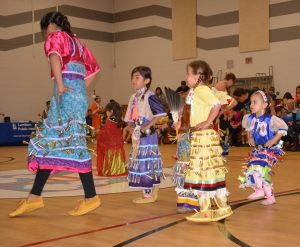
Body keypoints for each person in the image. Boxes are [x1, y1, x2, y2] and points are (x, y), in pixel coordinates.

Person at [9, 11, 100, 217]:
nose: (45, 32)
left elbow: (54, 57)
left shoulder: (56, 37)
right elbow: (94, 70)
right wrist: (79, 91)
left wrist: (61, 86)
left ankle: (91, 196)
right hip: (76, 94)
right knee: (53, 144)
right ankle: (34, 196)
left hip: (65, 94)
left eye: (45, 27)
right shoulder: (79, 43)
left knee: (70, 144)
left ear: (50, 25)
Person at [177, 60, 232, 222]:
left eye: (189, 74)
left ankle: (220, 207)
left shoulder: (201, 89)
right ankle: (207, 209)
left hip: (204, 137)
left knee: (205, 171)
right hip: (199, 137)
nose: (186, 77)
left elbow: (216, 105)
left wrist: (208, 122)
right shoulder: (195, 91)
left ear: (198, 76)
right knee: (202, 172)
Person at [238, 90, 288, 205]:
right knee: (257, 172)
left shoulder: (270, 119)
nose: (251, 105)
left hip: (270, 150)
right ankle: (270, 197)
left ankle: (260, 191)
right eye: (250, 102)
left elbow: (283, 128)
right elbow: (249, 128)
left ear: (264, 105)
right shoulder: (250, 118)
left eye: (255, 102)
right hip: (258, 150)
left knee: (258, 170)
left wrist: (273, 140)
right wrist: (250, 137)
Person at [124, 66, 166, 204]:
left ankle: (148, 194)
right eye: (132, 77)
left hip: (147, 136)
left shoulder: (150, 96)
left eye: (137, 77)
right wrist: (130, 127)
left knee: (146, 162)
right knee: (138, 161)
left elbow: (160, 114)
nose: (133, 80)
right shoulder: (133, 97)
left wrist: (147, 125)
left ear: (146, 80)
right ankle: (149, 191)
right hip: (137, 136)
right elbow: (130, 117)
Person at [96, 101, 128, 177]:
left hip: (110, 150)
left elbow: (105, 135)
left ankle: (111, 170)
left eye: (107, 111)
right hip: (117, 148)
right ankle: (119, 168)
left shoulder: (109, 121)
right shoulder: (117, 121)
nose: (106, 113)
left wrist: (98, 132)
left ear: (111, 112)